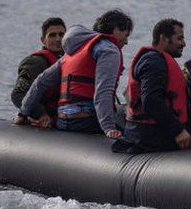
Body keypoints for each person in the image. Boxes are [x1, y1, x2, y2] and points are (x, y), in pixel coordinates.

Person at [15, 9, 132, 138]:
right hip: (86, 120)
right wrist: (109, 128)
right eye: (126, 35)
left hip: (63, 121)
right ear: (116, 29)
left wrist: (22, 114)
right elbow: (103, 90)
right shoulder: (109, 50)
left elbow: (41, 81)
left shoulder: (73, 51)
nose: (126, 42)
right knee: (133, 134)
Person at [114, 19, 191, 153]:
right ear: (163, 38)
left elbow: (174, 104)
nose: (183, 43)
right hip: (152, 136)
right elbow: (151, 101)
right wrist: (178, 130)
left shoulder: (160, 61)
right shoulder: (153, 62)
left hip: (160, 131)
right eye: (179, 38)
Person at [11, 17, 66, 119]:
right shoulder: (34, 63)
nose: (58, 39)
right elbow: (18, 95)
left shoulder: (72, 60)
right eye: (52, 35)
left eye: (61, 35)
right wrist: (40, 114)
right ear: (43, 40)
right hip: (45, 118)